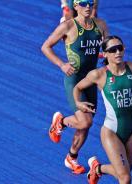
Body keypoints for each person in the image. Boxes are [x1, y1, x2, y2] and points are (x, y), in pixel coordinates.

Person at [41, 0, 108, 174]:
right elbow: (46, 47)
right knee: (86, 120)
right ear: (75, 6)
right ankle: (60, 122)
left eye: (91, 4)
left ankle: (72, 157)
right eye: (84, 4)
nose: (88, 7)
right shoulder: (68, 27)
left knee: (85, 125)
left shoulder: (100, 25)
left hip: (91, 80)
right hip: (74, 80)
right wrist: (61, 64)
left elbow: (106, 48)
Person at [73, 35, 132, 184]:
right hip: (111, 131)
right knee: (125, 178)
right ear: (105, 54)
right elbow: (78, 87)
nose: (118, 52)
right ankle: (97, 169)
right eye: (113, 50)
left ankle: (97, 169)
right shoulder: (99, 75)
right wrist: (78, 103)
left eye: (120, 48)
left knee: (125, 172)